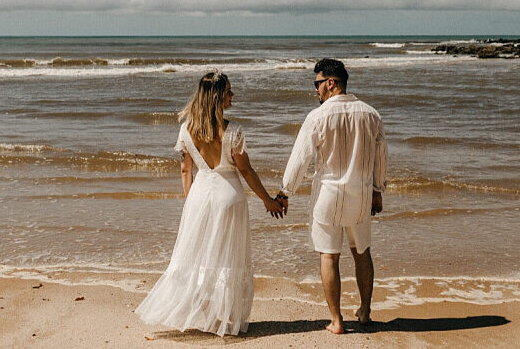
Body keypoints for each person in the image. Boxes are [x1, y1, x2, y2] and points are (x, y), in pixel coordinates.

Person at [136, 70, 286, 337]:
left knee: (200, 258)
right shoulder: (233, 131)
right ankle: (228, 318)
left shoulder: (186, 130)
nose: (232, 95)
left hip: (199, 196)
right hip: (229, 197)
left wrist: (191, 205)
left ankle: (204, 314)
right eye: (228, 92)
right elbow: (246, 171)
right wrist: (268, 200)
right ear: (216, 97)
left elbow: (185, 171)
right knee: (229, 259)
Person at [277, 58, 387, 334]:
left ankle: (337, 320)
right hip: (361, 195)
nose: (315, 90)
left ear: (330, 83)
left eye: (316, 84)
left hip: (328, 195)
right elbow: (381, 158)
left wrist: (285, 191)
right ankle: (365, 312)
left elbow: (300, 157)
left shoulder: (318, 116)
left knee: (329, 256)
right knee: (362, 252)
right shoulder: (371, 114)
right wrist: (378, 190)